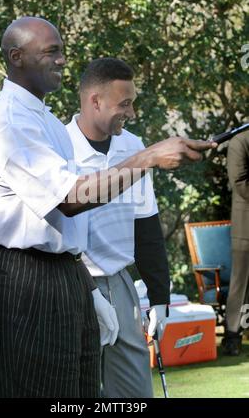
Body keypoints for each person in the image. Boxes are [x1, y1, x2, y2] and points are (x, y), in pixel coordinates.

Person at [0, 16, 216, 398]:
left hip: (68, 275)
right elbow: (70, 199)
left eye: (62, 51)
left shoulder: (45, 121)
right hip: (30, 278)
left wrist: (88, 286)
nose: (61, 61)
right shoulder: (10, 121)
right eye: (51, 52)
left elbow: (83, 223)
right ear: (16, 57)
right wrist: (149, 156)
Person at [66, 57, 170, 398]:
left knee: (135, 393)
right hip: (70, 283)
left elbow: (147, 225)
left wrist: (160, 298)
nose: (132, 113)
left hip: (120, 283)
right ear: (95, 101)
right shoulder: (59, 145)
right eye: (124, 104)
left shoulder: (134, 146)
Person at [222, 130, 249, 355]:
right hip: (246, 226)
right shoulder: (240, 142)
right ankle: (233, 335)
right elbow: (240, 183)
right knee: (241, 283)